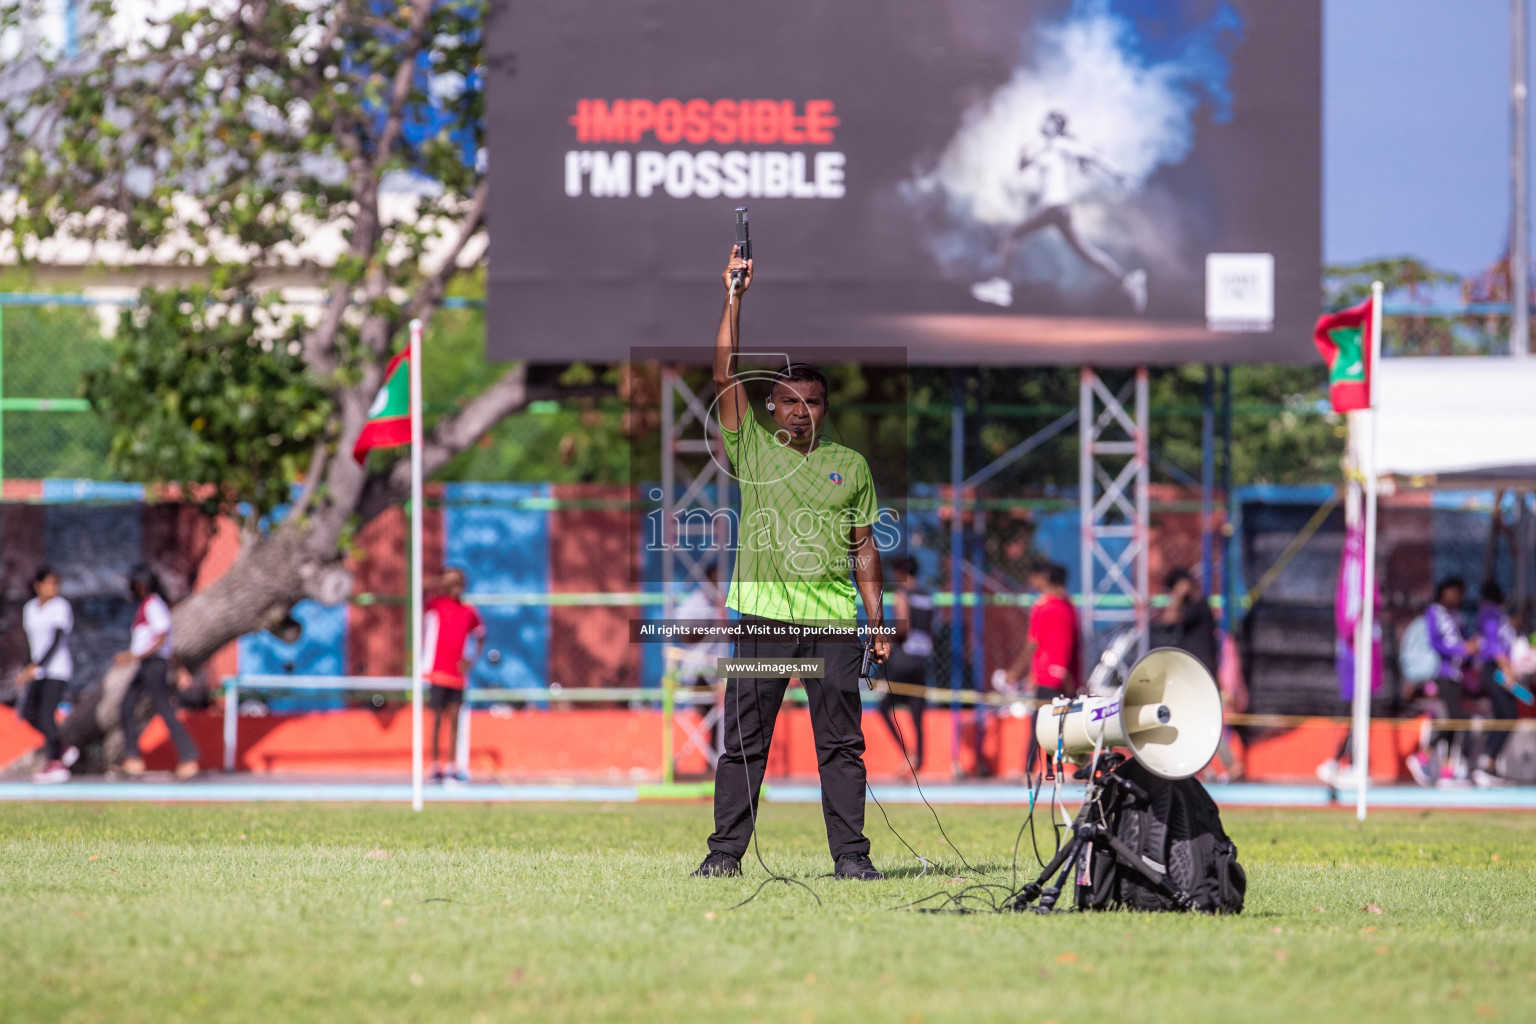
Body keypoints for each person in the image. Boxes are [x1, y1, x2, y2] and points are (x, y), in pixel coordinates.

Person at [692, 244, 889, 882]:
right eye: (791, 401)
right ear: (772, 409)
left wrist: (877, 617)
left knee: (841, 746)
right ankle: (724, 857)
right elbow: (724, 375)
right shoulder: (751, 446)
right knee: (746, 743)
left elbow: (864, 546)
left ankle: (852, 861)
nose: (802, 411)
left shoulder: (852, 465)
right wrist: (734, 297)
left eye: (813, 401)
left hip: (833, 623)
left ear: (824, 408)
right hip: (764, 620)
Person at [971, 110, 1146, 312]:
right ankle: (1126, 278)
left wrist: (1119, 175)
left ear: (1056, 126)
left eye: (1049, 121)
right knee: (1085, 253)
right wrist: (1024, 149)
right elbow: (1022, 167)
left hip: (1055, 207)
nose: (1043, 122)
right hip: (1058, 210)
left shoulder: (1063, 145)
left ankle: (1001, 286)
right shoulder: (1044, 149)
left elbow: (1094, 157)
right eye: (1045, 119)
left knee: (1010, 236)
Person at [118, 564, 199, 779]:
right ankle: (133, 757)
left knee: (164, 708)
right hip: (148, 664)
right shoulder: (148, 605)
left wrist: (134, 656)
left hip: (154, 664)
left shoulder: (154, 604)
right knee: (127, 706)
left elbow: (162, 639)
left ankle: (189, 756)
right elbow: (168, 644)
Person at [1405, 577, 1481, 787]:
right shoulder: (1434, 612)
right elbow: (1436, 643)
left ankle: (1447, 771)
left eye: (1460, 593)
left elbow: (1464, 645)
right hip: (1442, 675)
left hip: (1457, 676)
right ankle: (1422, 757)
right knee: (1455, 719)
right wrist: (1461, 649)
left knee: (1453, 722)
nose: (1457, 597)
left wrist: (1471, 649)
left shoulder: (1459, 616)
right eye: (1453, 591)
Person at [1005, 563, 1078, 778]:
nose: (1032, 583)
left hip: (1048, 676)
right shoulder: (1070, 606)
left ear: (1044, 578)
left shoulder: (1044, 605)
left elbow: (1033, 643)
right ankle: (1081, 768)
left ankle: (1027, 770)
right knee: (1069, 723)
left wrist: (1016, 672)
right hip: (1066, 675)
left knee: (1039, 725)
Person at [424, 568, 486, 785]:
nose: (455, 587)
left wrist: (471, 660)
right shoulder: (438, 604)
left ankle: (452, 766)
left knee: (455, 720)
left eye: (459, 583)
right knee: (437, 719)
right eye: (452, 583)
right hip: (437, 672)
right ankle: (435, 766)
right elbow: (420, 590)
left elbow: (480, 635)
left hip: (456, 675)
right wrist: (441, 580)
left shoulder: (469, 611)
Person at [17, 567, 73, 784]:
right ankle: (61, 747)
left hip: (56, 669)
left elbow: (56, 640)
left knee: (46, 715)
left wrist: (38, 665)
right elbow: (31, 643)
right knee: (29, 712)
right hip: (38, 670)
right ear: (37, 585)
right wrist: (27, 668)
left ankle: (56, 762)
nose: (53, 588)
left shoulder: (61, 606)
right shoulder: (30, 608)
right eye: (49, 583)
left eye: (56, 584)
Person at [878, 557, 933, 772]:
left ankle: (907, 754)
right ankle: (918, 757)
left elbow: (903, 629)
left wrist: (884, 637)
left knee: (885, 707)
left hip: (903, 659)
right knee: (917, 712)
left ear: (901, 571)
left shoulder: (903, 594)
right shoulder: (927, 597)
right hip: (921, 658)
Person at [1470, 581, 1520, 787]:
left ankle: (1489, 765)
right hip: (1495, 669)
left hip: (1499, 669)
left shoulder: (1498, 613)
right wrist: (1506, 668)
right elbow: (1492, 643)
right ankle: (1486, 762)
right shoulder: (1490, 611)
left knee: (1504, 715)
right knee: (1508, 714)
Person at [1159, 568, 1219, 675]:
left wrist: (1177, 596)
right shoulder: (1187, 606)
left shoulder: (1199, 605)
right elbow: (1166, 621)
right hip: (1189, 664)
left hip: (1201, 664)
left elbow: (1171, 619)